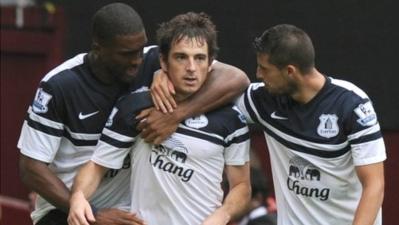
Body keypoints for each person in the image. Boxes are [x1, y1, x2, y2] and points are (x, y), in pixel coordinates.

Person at [17, 3, 249, 225]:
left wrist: (176, 114)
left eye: (141, 51)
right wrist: (91, 214)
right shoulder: (60, 86)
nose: (138, 61)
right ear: (98, 48)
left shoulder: (152, 61)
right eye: (127, 54)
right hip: (66, 209)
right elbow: (31, 169)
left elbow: (237, 78)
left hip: (126, 209)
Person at [236, 24, 386, 225]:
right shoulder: (264, 100)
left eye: (264, 68)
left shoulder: (352, 104)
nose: (258, 75)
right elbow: (221, 79)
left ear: (290, 71)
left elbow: (374, 185)